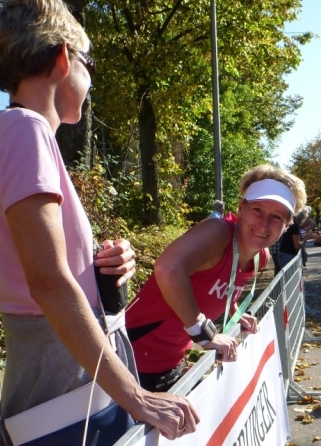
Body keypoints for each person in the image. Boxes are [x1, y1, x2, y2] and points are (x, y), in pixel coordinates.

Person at [0, 0, 198, 444]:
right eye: (88, 63)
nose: (91, 79)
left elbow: (39, 273)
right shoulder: (26, 131)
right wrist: (136, 395)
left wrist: (99, 269)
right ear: (62, 57)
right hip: (67, 398)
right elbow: (49, 283)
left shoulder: (7, 133)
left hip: (65, 390)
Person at [126, 164, 307, 392]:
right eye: (257, 210)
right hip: (129, 361)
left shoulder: (260, 257)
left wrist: (235, 312)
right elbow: (167, 268)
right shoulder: (218, 232)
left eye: (276, 217)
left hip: (171, 362)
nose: (263, 224)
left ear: (287, 225)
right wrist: (205, 333)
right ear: (241, 208)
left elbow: (224, 285)